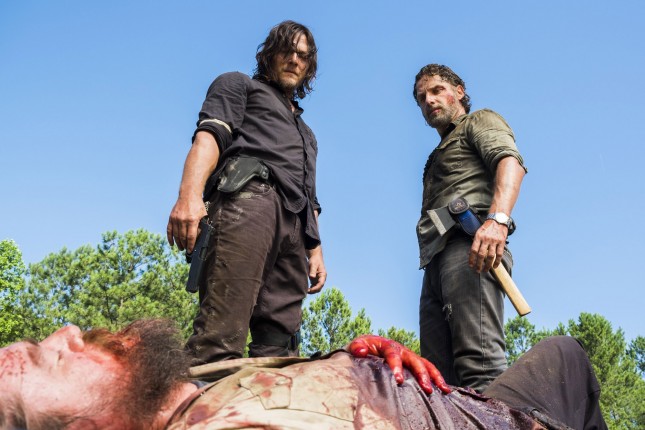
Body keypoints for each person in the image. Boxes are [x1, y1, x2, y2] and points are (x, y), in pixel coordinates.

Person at [0, 319, 606, 429]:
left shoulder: (196, 386)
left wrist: (355, 364)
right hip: (508, 425)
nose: (66, 332)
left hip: (463, 400)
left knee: (564, 354)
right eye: (49, 359)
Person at [166, 21, 327, 364]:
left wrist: (315, 250)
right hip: (249, 203)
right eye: (287, 51)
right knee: (220, 337)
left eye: (302, 56)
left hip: (295, 232)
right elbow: (209, 137)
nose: (294, 60)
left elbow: (310, 198)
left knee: (281, 354)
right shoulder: (239, 85)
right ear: (268, 54)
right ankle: (199, 396)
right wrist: (189, 196)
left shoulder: (307, 134)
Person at [413, 64, 528, 391]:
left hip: (471, 249)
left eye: (437, 90)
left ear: (459, 91)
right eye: (421, 98)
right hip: (435, 261)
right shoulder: (437, 153)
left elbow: (510, 162)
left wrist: (497, 221)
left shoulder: (478, 121)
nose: (429, 100)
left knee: (480, 370)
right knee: (438, 384)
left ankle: (496, 418)